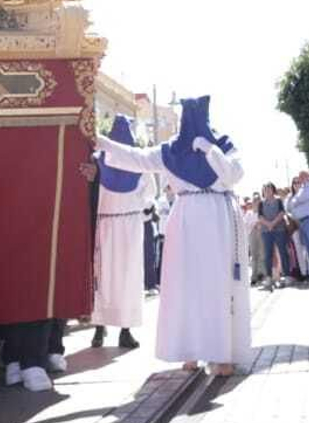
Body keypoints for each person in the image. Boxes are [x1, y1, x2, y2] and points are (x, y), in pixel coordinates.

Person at [93, 96, 250, 376]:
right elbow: (135, 157)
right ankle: (189, 350)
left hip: (218, 222)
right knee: (185, 287)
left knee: (217, 286)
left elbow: (233, 174)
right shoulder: (171, 151)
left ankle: (221, 354)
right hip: (185, 221)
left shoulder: (224, 145)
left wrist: (209, 150)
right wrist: (100, 141)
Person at [90, 115, 144, 350]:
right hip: (129, 227)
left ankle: (99, 329)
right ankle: (125, 331)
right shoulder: (139, 165)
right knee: (128, 278)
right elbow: (148, 197)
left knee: (103, 276)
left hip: (105, 225)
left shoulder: (97, 162)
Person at [255, 182, 291, 288]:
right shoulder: (261, 203)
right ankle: (269, 277)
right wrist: (268, 224)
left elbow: (282, 213)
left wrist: (273, 223)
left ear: (273, 190)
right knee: (268, 254)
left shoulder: (278, 200)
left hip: (279, 229)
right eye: (265, 189)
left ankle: (287, 275)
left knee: (283, 252)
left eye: (269, 188)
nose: (267, 191)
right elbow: (260, 216)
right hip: (266, 232)